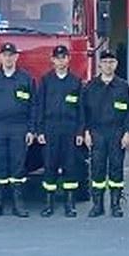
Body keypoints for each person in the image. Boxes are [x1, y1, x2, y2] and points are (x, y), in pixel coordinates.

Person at [0, 42, 35, 218]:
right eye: (5, 55)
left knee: (18, 165)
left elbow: (33, 106)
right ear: (0, 57)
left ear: (16, 57)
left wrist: (31, 129)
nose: (8, 58)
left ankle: (18, 204)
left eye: (11, 55)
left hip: (19, 127)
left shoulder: (26, 79)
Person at [34, 45, 84, 217]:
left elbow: (80, 109)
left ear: (68, 59)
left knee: (70, 167)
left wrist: (80, 132)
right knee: (50, 166)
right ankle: (49, 204)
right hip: (50, 129)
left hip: (70, 129)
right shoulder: (46, 81)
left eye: (64, 58)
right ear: (52, 60)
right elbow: (39, 106)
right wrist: (40, 130)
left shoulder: (75, 82)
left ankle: (70, 204)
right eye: (58, 58)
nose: (61, 61)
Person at [82, 49, 129, 218]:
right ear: (100, 65)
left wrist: (127, 132)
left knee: (116, 169)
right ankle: (97, 205)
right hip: (97, 132)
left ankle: (115, 205)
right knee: (97, 169)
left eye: (111, 62)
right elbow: (84, 111)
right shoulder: (91, 86)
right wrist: (86, 131)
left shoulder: (123, 86)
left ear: (116, 64)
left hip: (117, 132)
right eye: (105, 62)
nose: (108, 65)